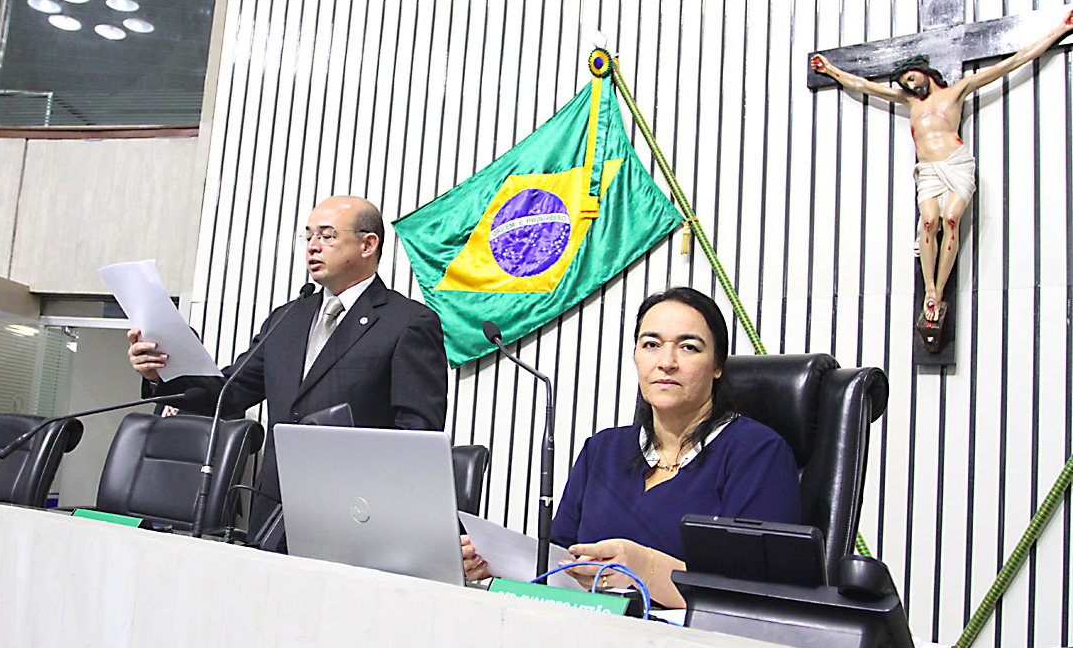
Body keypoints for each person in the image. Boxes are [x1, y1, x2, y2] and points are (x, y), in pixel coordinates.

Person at [127, 195, 449, 539]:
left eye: (326, 236)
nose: (312, 247)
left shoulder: (408, 322)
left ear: (368, 244)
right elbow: (228, 394)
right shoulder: (288, 318)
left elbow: (417, 436)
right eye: (308, 236)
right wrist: (161, 373)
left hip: (355, 516)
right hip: (273, 509)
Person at [461, 287, 800, 608]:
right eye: (651, 344)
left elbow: (757, 597)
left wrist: (647, 569)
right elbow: (560, 562)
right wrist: (497, 567)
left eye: (689, 347)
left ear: (717, 366)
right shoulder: (603, 450)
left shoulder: (758, 453)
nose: (666, 362)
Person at [811, 10, 1073, 325]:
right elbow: (862, 84)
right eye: (903, 82)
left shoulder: (958, 90)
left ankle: (940, 287)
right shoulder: (909, 102)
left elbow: (1012, 62)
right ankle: (930, 290)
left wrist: (1060, 29)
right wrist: (829, 69)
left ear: (925, 72)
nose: (907, 84)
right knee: (927, 222)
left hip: (956, 163)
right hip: (928, 169)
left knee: (950, 220)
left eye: (910, 77)